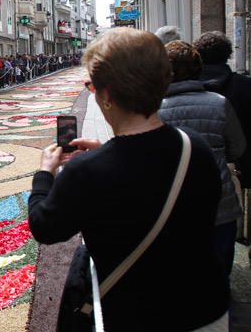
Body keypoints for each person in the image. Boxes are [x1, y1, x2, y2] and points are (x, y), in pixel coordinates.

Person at [28, 28, 229, 331]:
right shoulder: (195, 146)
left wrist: (45, 175)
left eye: (91, 86)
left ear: (106, 94)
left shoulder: (86, 172)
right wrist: (107, 154)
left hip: (134, 314)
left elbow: (45, 226)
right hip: (205, 310)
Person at [159, 41, 246, 280]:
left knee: (182, 277)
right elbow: (237, 148)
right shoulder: (219, 102)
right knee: (219, 276)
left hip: (173, 206)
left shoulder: (154, 109)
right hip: (219, 204)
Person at [195, 31, 251, 191]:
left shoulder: (187, 89)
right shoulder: (245, 86)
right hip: (242, 170)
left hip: (197, 174)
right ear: (228, 54)